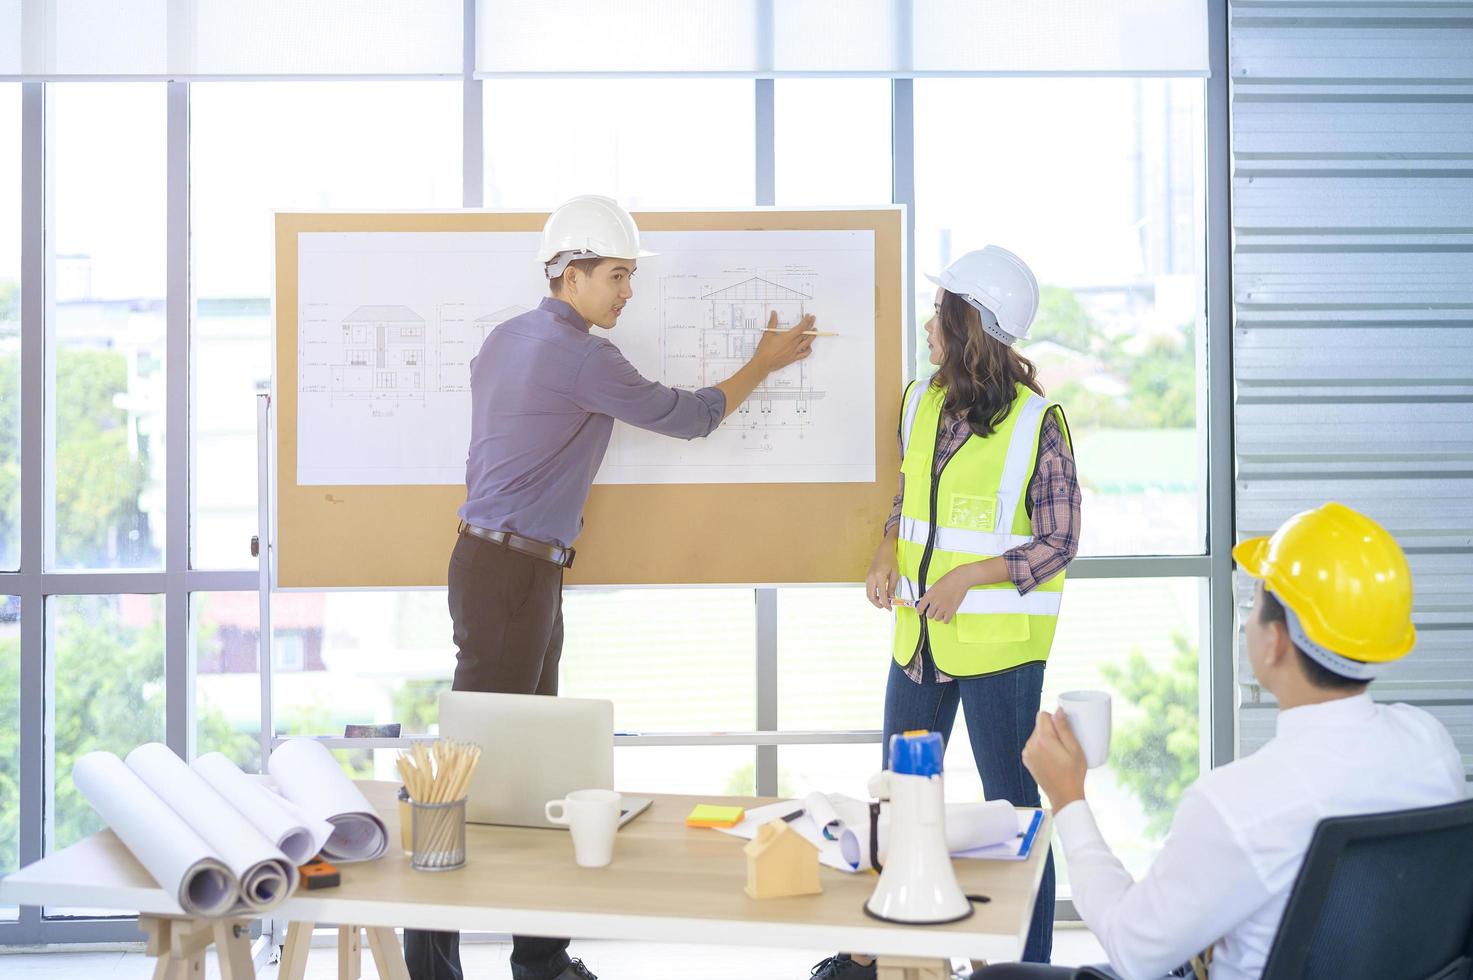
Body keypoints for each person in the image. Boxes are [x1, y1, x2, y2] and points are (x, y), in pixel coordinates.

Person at [405, 195, 818, 980]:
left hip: (504, 568)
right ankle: (433, 966)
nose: (629, 292)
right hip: (512, 575)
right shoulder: (583, 357)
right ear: (569, 271)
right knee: (472, 777)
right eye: (619, 275)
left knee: (527, 773)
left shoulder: (504, 339)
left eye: (630, 275)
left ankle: (540, 956)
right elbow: (690, 417)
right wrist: (762, 362)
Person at [976, 503, 1467, 980]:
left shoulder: (1239, 804)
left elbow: (1133, 951)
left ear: (1275, 642)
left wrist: (1068, 799)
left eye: (1255, 604)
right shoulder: (1431, 746)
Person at [808, 246, 1082, 980]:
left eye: (939, 310)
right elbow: (907, 503)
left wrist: (971, 577)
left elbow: (1059, 541)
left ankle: (1025, 967)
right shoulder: (919, 400)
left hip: (998, 650)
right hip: (920, 639)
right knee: (895, 799)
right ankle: (882, 955)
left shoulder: (1037, 421)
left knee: (1016, 812)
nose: (928, 323)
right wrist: (881, 553)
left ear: (970, 324)